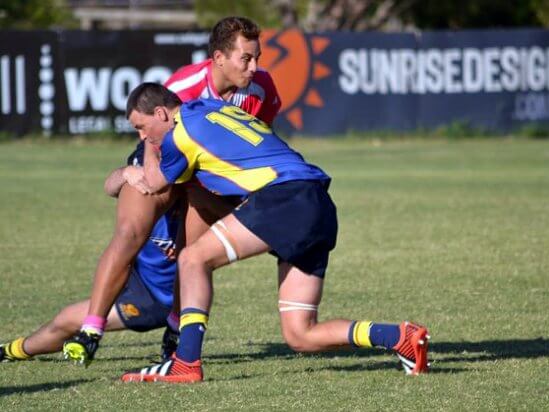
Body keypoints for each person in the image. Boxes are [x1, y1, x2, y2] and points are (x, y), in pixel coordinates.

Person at [119, 83, 430, 383]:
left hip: (284, 196)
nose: (143, 136)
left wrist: (136, 160)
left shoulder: (181, 134)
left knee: (192, 259)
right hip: (317, 201)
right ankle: (399, 337)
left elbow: (154, 182)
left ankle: (185, 363)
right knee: (300, 334)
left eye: (141, 127)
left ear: (161, 113)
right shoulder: (211, 108)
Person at [62, 16, 281, 366]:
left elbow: (257, 143)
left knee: (190, 254)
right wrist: (137, 175)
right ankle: (91, 329)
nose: (255, 66)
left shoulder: (262, 89)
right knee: (131, 231)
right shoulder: (185, 85)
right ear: (218, 58)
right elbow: (153, 136)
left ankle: (175, 330)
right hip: (162, 160)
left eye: (257, 57)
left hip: (205, 176)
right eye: (246, 58)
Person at [1, 147, 181, 365]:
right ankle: (11, 350)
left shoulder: (192, 193)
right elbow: (111, 187)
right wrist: (126, 172)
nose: (143, 180)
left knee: (67, 320)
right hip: (135, 272)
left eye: (142, 127)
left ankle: (13, 351)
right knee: (69, 318)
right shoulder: (145, 172)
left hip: (155, 299)